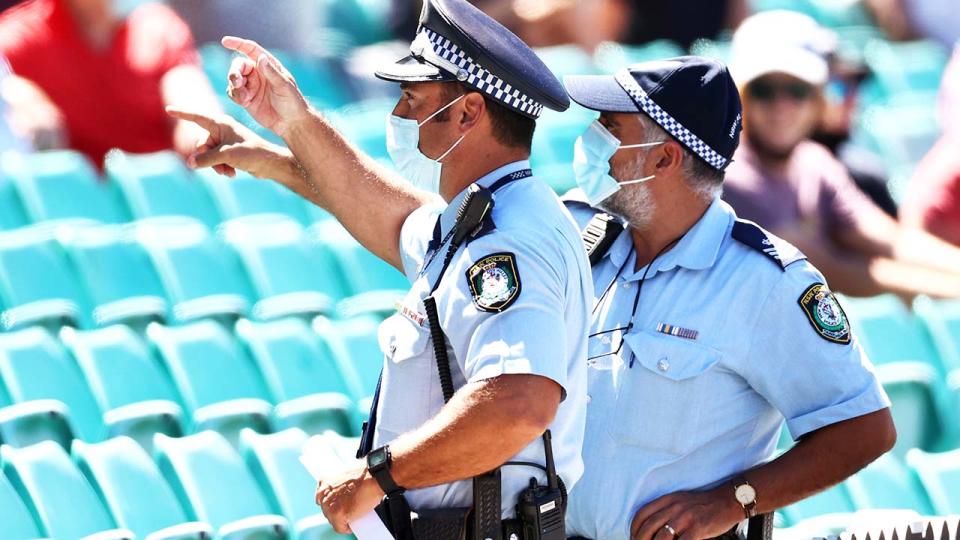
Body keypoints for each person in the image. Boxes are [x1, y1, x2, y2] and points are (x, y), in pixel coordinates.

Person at [166, 0, 592, 537]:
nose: (400, 116)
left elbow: (520, 402)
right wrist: (284, 137)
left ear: (468, 113)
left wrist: (374, 478)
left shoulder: (506, 240)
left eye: (414, 99)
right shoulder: (486, 214)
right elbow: (388, 216)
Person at [559, 56, 896, 540]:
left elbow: (865, 428)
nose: (592, 137)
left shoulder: (767, 282)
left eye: (610, 127)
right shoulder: (581, 237)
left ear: (664, 159)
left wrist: (733, 500)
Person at [723, 12, 960, 300]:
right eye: (764, 90)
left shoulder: (815, 161)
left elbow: (892, 241)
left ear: (819, 96)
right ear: (740, 94)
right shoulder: (728, 177)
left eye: (797, 90)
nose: (782, 106)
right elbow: (828, 270)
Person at [0, 0, 219, 166]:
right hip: (74, 211)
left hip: (161, 206)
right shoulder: (21, 35)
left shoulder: (158, 28)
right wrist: (15, 93)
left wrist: (206, 139)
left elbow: (195, 109)